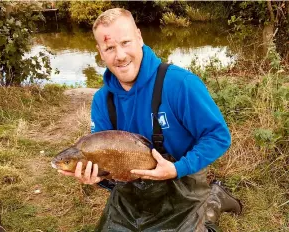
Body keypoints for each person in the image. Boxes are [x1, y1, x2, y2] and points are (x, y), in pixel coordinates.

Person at [59, 8, 242, 232]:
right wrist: (95, 177)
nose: (120, 55)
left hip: (181, 185)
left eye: (125, 42)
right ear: (100, 52)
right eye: (109, 48)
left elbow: (218, 136)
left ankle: (212, 203)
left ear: (139, 37)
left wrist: (177, 168)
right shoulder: (102, 101)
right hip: (130, 193)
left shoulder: (180, 84)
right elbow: (107, 165)